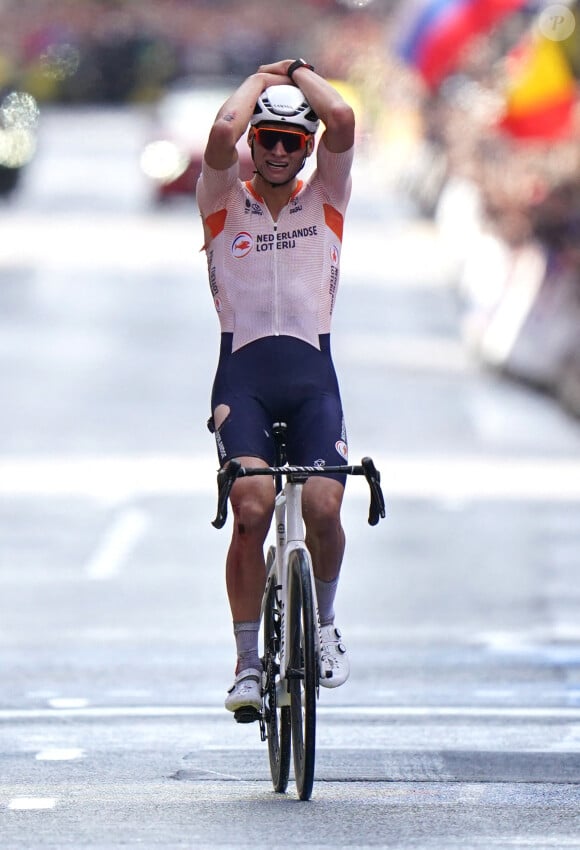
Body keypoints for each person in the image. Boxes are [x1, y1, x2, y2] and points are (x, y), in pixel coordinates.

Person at [196, 59, 355, 715]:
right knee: (253, 509)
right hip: (246, 377)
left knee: (323, 508)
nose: (281, 150)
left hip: (313, 376)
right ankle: (247, 661)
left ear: (306, 148)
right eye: (268, 139)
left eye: (293, 141)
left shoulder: (326, 199)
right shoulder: (222, 198)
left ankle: (322, 627)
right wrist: (262, 83)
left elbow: (343, 119)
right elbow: (218, 131)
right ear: (253, 144)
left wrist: (298, 72)